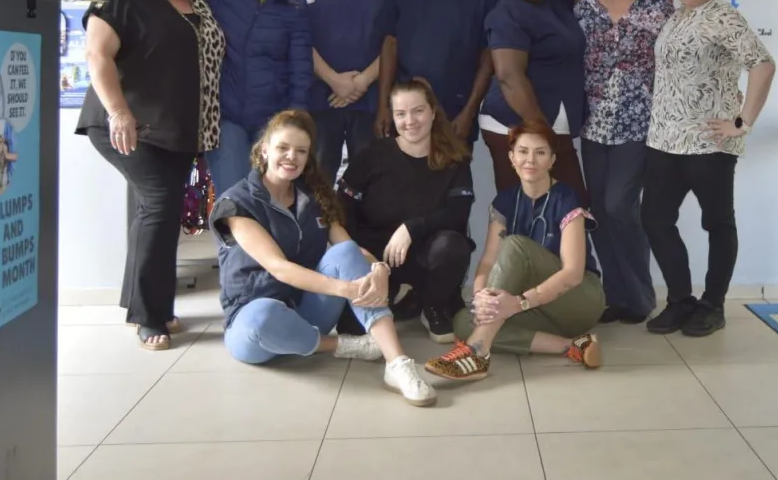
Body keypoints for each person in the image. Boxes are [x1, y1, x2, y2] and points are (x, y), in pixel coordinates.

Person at [211, 110, 436, 407]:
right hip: (252, 322)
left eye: (300, 151)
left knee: (345, 253)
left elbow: (350, 248)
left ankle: (396, 363)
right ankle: (341, 345)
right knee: (261, 317)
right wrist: (345, 289)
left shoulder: (312, 197)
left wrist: (379, 268)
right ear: (264, 149)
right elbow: (279, 268)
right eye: (283, 148)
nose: (291, 157)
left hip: (306, 308)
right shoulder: (236, 203)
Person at [76, 0, 226, 350]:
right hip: (127, 125)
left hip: (179, 130)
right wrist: (119, 112)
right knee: (160, 206)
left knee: (153, 210)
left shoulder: (198, 0)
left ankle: (138, 300)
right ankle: (150, 316)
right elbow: (97, 53)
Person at [111, 0, 312, 196]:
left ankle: (265, 239)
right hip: (224, 119)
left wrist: (294, 122)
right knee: (233, 196)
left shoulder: (292, 12)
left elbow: (301, 72)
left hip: (270, 121)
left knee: (267, 197)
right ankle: (232, 240)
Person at [642, 0, 776, 338]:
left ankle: (712, 305)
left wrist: (743, 121)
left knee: (717, 224)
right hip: (665, 139)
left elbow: (763, 64)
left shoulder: (723, 16)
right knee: (654, 219)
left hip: (709, 142)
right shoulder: (677, 16)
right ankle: (680, 300)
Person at [478, 0, 670, 203]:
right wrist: (541, 134)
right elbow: (509, 77)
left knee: (572, 209)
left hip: (552, 123)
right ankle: (517, 246)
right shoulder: (507, 14)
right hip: (516, 125)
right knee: (527, 209)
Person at [424, 120, 604, 381]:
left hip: (578, 300)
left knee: (515, 245)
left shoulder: (567, 198)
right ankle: (573, 346)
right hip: (534, 306)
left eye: (540, 152)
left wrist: (519, 303)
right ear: (511, 157)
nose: (530, 160)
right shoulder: (505, 202)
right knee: (464, 322)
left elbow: (573, 274)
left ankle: (476, 352)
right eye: (523, 151)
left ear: (552, 160)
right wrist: (481, 300)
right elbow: (487, 262)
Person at [574, 0, 674, 325]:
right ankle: (616, 297)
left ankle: (640, 296)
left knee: (620, 206)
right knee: (598, 211)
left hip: (638, 123)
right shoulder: (585, 9)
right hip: (593, 122)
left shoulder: (658, 7)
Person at [336, 79, 475, 343]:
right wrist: (361, 257)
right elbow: (343, 209)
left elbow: (457, 215)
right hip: (376, 258)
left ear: (433, 112)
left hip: (426, 254)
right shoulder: (371, 154)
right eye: (401, 113)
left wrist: (412, 227)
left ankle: (431, 303)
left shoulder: (454, 159)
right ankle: (395, 292)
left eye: (418, 111)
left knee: (452, 245)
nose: (409, 120)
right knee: (350, 329)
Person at [291, 0, 400, 181]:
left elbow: (397, 39)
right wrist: (333, 79)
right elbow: (295, 35)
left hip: (372, 104)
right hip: (318, 99)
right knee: (315, 183)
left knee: (372, 183)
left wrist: (362, 81)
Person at [376, 0, 499, 148]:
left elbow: (488, 57)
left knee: (454, 181)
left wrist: (469, 112)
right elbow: (389, 44)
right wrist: (383, 106)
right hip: (407, 111)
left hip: (457, 112)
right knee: (406, 181)